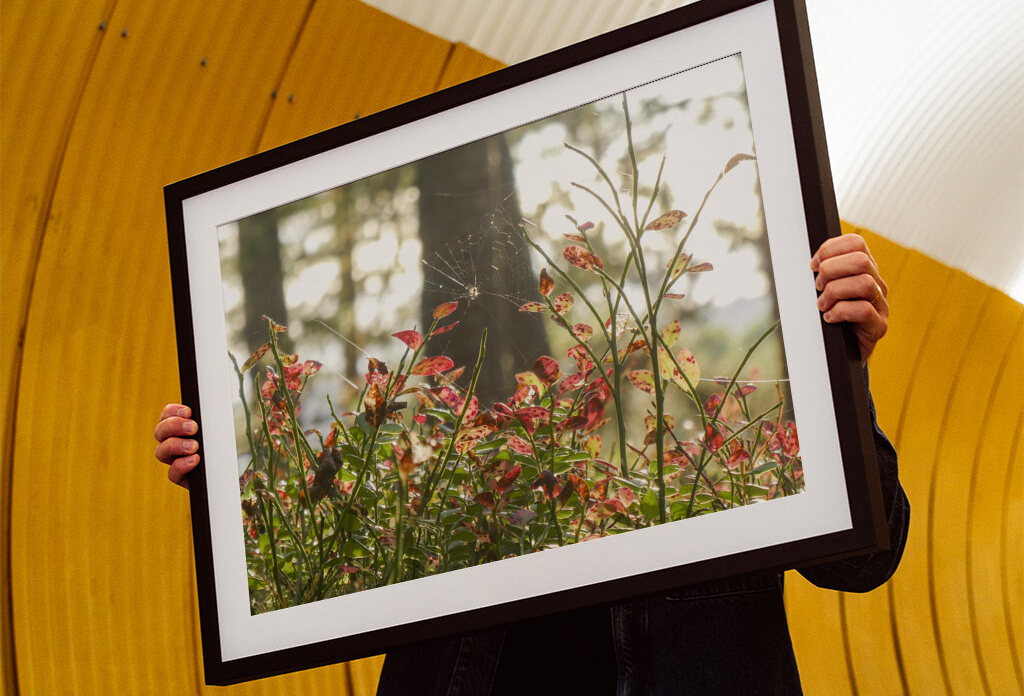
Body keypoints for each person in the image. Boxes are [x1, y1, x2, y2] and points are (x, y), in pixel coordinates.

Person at [154, 234, 909, 695]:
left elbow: (864, 560)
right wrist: (237, 488)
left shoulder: (716, 468)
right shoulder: (446, 478)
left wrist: (839, 370)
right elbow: (341, 549)